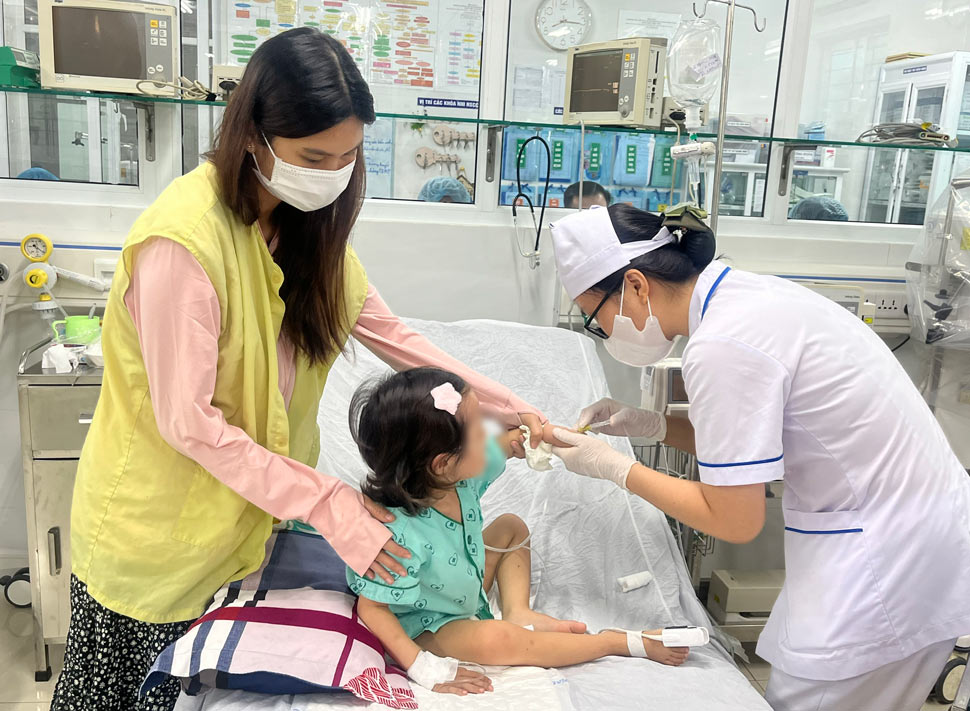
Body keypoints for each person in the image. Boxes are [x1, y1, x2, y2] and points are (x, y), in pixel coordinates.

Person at [52, 29, 548, 711]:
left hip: (253, 538)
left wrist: (514, 409)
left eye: (348, 157)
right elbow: (188, 422)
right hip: (158, 539)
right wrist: (328, 500)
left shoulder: (305, 230)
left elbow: (398, 339)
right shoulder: (183, 246)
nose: (333, 173)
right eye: (315, 156)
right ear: (254, 135)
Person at [546, 204, 970, 711]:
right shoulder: (751, 298)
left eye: (597, 318)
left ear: (637, 285)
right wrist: (652, 426)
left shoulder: (725, 344)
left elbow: (733, 517)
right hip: (916, 536)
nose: (604, 332)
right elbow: (748, 452)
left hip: (885, 564)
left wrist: (614, 466)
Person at [346, 367, 689, 696]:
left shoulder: (459, 478)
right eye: (479, 430)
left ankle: (517, 611)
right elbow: (372, 608)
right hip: (429, 625)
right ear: (443, 464)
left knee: (510, 526)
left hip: (462, 589)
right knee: (497, 640)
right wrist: (422, 666)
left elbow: (507, 444)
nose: (489, 432)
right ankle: (616, 641)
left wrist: (528, 439)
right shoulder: (397, 536)